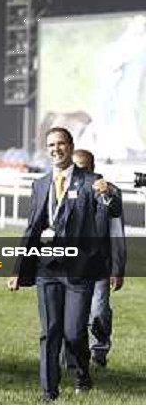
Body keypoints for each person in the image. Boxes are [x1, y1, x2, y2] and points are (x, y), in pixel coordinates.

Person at [7, 128, 121, 402]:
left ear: (70, 146)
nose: (55, 149)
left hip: (78, 271)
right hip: (47, 269)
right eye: (50, 145)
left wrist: (109, 194)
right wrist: (17, 270)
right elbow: (32, 227)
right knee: (50, 332)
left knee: (73, 332)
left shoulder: (91, 181)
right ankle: (49, 392)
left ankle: (82, 374)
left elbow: (112, 208)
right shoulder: (41, 184)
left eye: (60, 144)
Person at [70, 149, 125, 368]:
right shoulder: (64, 189)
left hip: (100, 264)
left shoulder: (110, 192)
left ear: (93, 168)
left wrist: (118, 267)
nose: (80, 173)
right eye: (76, 168)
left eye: (84, 168)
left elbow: (116, 232)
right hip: (71, 264)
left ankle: (99, 351)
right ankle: (71, 359)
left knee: (99, 311)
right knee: (73, 315)